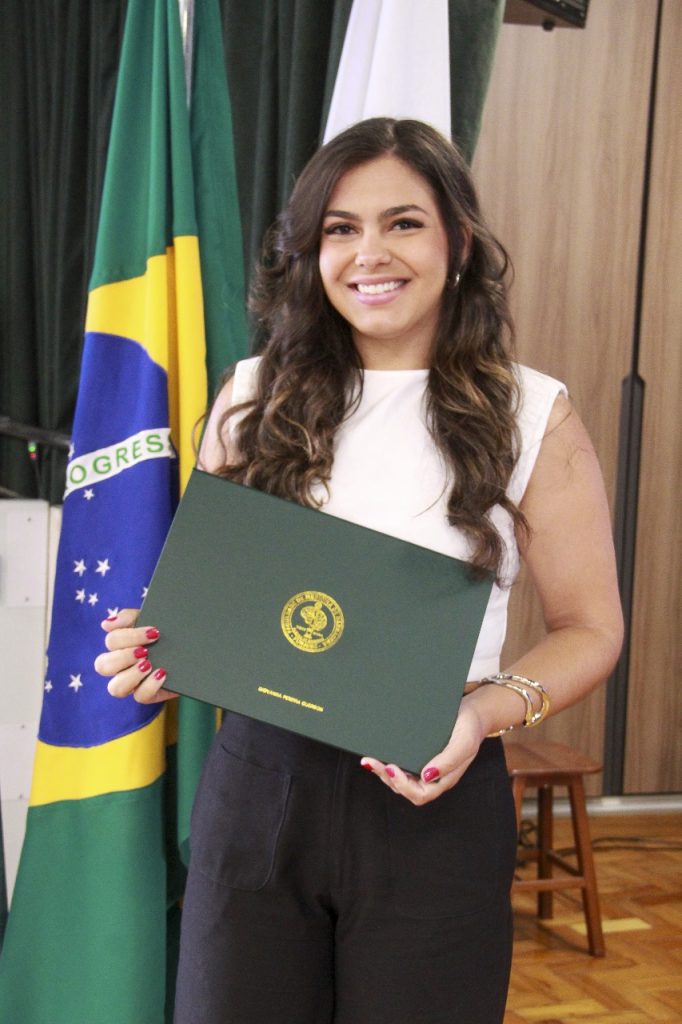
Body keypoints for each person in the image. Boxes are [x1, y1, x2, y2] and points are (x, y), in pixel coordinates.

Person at [95, 118, 623, 1023]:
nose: (370, 253)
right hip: (260, 785)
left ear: (459, 241)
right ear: (311, 250)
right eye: (341, 228)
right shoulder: (253, 394)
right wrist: (155, 650)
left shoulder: (532, 413)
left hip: (436, 791)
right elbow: (210, 600)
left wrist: (480, 714)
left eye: (403, 222)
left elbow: (593, 629)